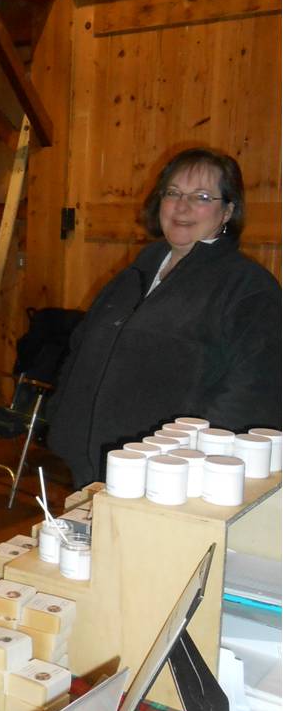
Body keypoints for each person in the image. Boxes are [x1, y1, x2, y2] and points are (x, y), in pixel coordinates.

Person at [48, 147, 281, 487]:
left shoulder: (247, 288)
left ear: (227, 211)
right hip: (96, 461)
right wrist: (61, 414)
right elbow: (82, 346)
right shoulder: (138, 271)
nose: (182, 206)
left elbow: (252, 392)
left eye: (201, 196)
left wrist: (189, 464)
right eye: (173, 193)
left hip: (167, 476)